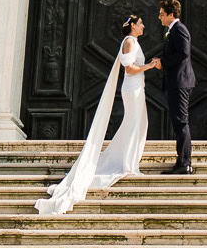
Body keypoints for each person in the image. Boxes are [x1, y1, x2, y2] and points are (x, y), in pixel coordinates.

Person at [35, 13, 151, 216]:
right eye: (140, 23)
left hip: (135, 87)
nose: (143, 26)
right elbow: (130, 68)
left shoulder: (131, 41)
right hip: (133, 87)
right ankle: (127, 163)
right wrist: (150, 65)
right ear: (133, 25)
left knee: (136, 123)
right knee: (133, 123)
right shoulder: (131, 42)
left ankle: (128, 160)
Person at [147, 0, 194, 174]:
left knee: (181, 122)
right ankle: (182, 161)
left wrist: (162, 62)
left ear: (170, 14)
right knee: (179, 122)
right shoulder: (173, 30)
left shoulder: (179, 30)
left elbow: (183, 53)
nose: (159, 17)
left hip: (180, 82)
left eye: (161, 14)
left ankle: (184, 163)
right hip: (177, 82)